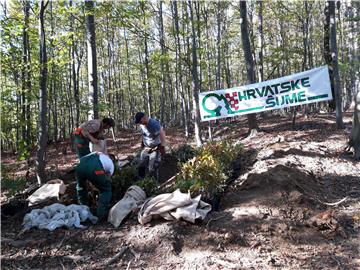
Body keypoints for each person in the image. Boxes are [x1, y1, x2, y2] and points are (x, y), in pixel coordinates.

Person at [75, 152, 116, 221]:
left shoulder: (97, 154)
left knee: (81, 187)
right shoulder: (111, 164)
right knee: (106, 190)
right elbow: (108, 179)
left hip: (79, 166)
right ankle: (101, 214)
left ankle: (83, 210)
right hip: (95, 168)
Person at [134, 112, 166, 179]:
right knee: (141, 165)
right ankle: (141, 180)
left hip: (155, 148)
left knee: (153, 167)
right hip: (146, 148)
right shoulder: (142, 124)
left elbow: (162, 133)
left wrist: (162, 147)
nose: (140, 123)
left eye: (140, 121)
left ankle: (154, 183)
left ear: (144, 118)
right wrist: (142, 144)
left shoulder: (153, 124)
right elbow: (144, 134)